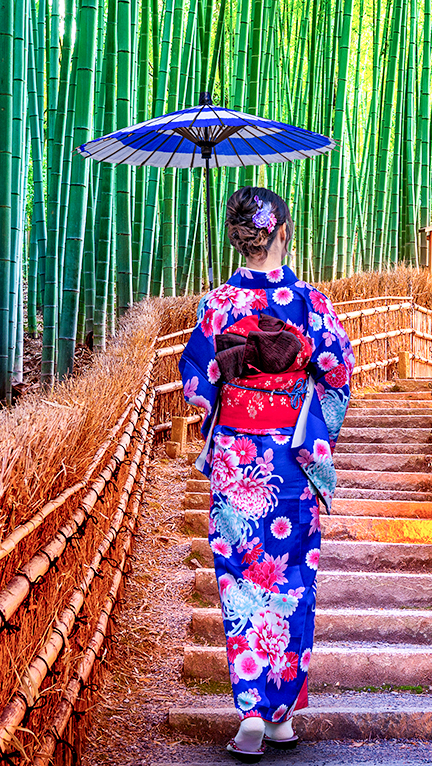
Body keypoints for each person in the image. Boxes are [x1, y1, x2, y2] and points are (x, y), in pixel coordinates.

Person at [176, 186, 354, 763]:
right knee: (293, 574)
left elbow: (198, 384)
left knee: (240, 577)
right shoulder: (311, 302)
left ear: (238, 236)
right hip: (290, 459)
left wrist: (228, 390)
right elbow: (337, 370)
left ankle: (252, 711)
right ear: (284, 232)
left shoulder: (217, 304)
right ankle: (278, 713)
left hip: (235, 459)